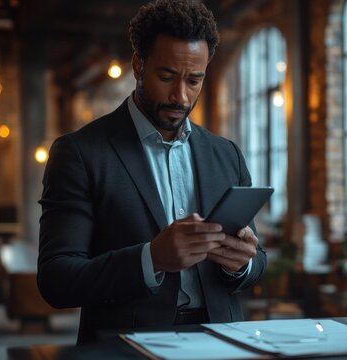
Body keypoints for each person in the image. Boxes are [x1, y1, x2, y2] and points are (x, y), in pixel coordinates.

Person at [37, 0, 267, 344]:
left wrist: (242, 265)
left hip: (224, 342)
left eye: (194, 80)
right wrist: (151, 259)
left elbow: (257, 258)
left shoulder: (226, 155)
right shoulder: (80, 153)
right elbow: (56, 280)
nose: (181, 96)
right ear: (137, 65)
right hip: (127, 346)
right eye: (166, 76)